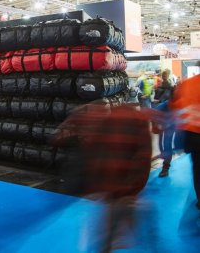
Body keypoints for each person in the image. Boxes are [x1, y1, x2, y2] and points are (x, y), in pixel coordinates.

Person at [53, 102, 152, 252]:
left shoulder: (105, 122)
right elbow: (143, 158)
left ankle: (109, 244)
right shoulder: (137, 120)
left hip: (107, 187)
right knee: (125, 224)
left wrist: (93, 183)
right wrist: (135, 187)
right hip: (124, 189)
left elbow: (92, 153)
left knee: (107, 230)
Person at [170, 61, 200, 210]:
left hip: (193, 135)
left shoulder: (187, 84)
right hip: (193, 133)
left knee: (197, 168)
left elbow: (176, 106)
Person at [154, 70, 176, 177]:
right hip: (166, 122)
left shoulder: (179, 103)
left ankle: (165, 166)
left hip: (171, 122)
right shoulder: (162, 106)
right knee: (164, 144)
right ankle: (165, 166)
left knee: (166, 144)